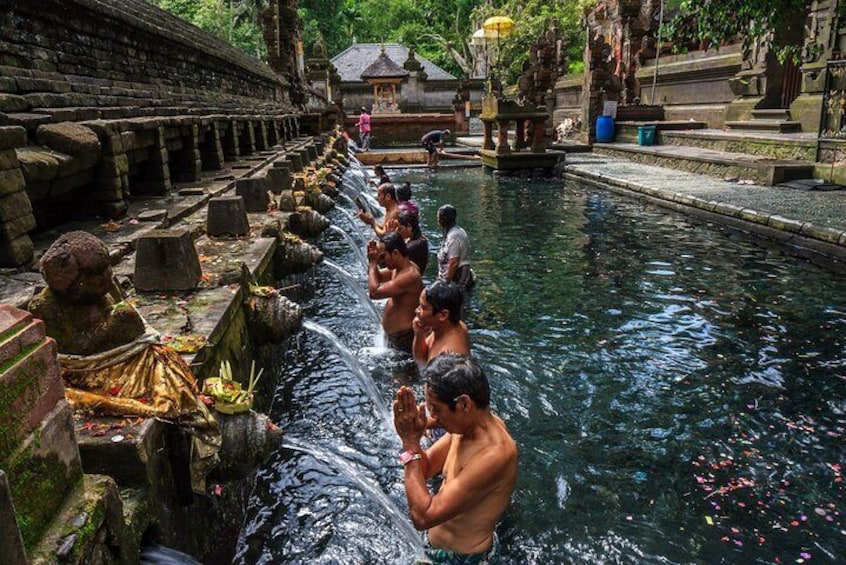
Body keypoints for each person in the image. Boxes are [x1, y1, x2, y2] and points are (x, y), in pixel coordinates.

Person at [393, 354, 518, 563]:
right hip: (437, 546)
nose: (432, 415)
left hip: (459, 559)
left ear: (464, 404)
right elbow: (427, 467)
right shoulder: (466, 427)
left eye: (436, 409)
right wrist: (415, 431)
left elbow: (423, 517)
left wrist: (411, 444)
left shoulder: (495, 454)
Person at [367, 232, 424, 353]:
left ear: (395, 253)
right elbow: (378, 277)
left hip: (403, 339)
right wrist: (373, 261)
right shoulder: (398, 269)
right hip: (395, 337)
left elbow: (374, 293)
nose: (381, 261)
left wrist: (373, 264)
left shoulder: (409, 275)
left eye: (383, 256)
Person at [412, 281, 470, 365]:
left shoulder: (448, 359)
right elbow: (421, 360)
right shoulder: (444, 326)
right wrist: (419, 334)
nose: (417, 310)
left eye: (423, 308)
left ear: (443, 315)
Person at [436, 204, 474, 291]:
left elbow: (454, 263)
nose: (438, 220)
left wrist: (446, 283)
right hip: (452, 274)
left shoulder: (454, 236)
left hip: (457, 276)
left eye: (439, 217)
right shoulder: (452, 232)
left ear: (443, 219)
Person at [393, 210, 428, 274]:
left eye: (400, 229)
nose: (397, 232)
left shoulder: (416, 244)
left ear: (409, 227)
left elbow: (395, 257)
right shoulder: (416, 238)